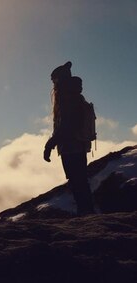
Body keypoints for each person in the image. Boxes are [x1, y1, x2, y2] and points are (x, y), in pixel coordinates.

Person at [44, 61, 94, 215]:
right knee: (80, 181)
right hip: (78, 144)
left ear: (60, 80)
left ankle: (85, 214)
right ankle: (86, 213)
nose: (53, 84)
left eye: (54, 80)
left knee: (77, 181)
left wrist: (50, 144)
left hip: (71, 146)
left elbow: (66, 125)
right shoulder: (74, 95)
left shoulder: (67, 98)